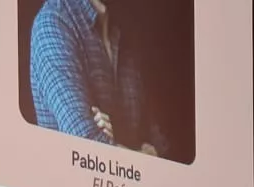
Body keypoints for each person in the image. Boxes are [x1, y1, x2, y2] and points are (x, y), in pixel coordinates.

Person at [26, 0, 168, 156]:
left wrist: (147, 154)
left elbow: (159, 144)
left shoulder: (125, 29)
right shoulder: (54, 22)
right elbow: (84, 142)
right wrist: (142, 156)